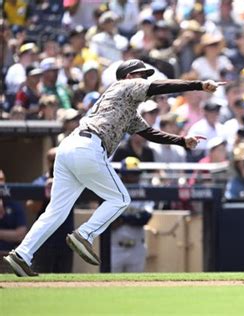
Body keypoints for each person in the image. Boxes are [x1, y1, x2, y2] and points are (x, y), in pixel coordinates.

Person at [3, 58, 224, 277]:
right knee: (121, 199)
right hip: (88, 147)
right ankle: (85, 234)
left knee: (55, 212)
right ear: (129, 76)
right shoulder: (124, 85)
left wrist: (182, 141)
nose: (145, 80)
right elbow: (158, 87)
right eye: (141, 75)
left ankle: (22, 253)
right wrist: (199, 85)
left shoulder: (125, 107)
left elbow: (149, 133)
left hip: (70, 147)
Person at [110, 157, 152, 273]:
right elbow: (110, 220)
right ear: (123, 175)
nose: (134, 177)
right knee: (110, 285)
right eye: (130, 174)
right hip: (116, 247)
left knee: (136, 286)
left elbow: (145, 218)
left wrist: (123, 218)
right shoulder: (113, 192)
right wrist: (132, 217)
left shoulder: (144, 192)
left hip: (137, 248)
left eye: (136, 174)